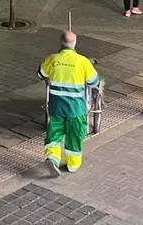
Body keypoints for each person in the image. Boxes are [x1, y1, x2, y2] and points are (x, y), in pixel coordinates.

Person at [38, 30, 100, 176]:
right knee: (75, 136)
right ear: (75, 43)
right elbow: (94, 82)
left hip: (56, 107)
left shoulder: (51, 59)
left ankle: (52, 159)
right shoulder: (83, 61)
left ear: (60, 42)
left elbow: (41, 74)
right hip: (76, 108)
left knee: (54, 134)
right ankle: (72, 165)